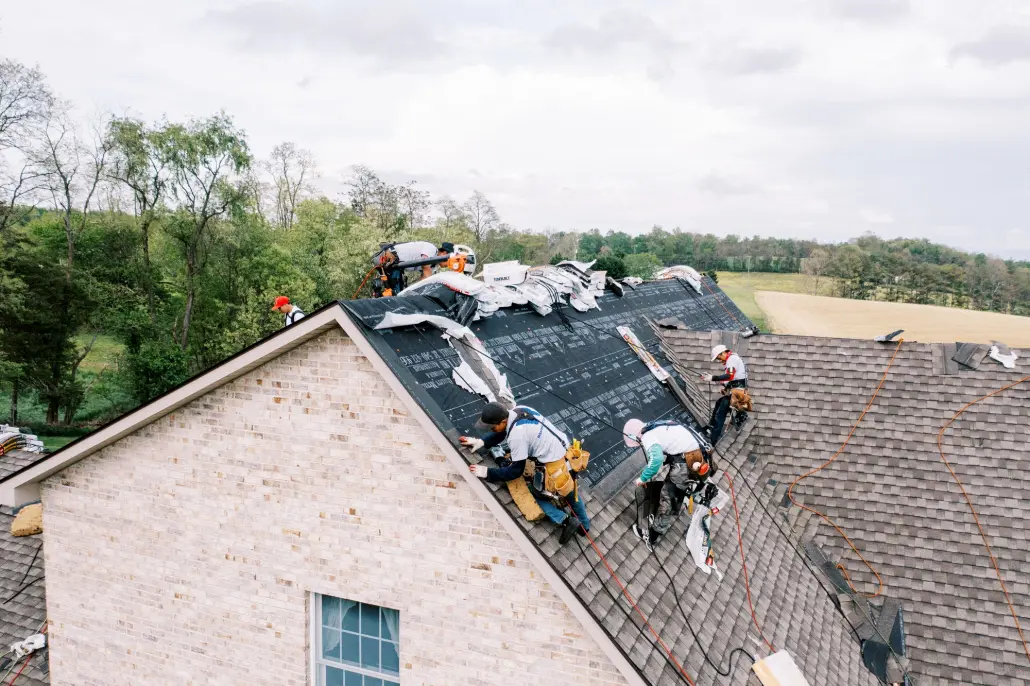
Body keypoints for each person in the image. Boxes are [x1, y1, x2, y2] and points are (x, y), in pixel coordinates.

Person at [461, 402, 590, 544]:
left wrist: (487, 472)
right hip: (569, 457)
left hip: (556, 471)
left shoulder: (517, 435)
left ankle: (565, 520)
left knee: (532, 492)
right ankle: (584, 527)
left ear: (503, 420)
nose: (492, 429)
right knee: (572, 491)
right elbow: (502, 431)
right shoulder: (519, 410)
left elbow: (515, 472)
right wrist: (482, 442)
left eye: (493, 427)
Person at [624, 418, 713, 552]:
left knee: (668, 496)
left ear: (636, 437)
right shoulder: (655, 425)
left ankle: (652, 535)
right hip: (696, 456)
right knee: (674, 491)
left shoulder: (648, 437)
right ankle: (673, 507)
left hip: (687, 463)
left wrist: (642, 478)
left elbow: (657, 460)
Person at [700, 344, 748, 445]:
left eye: (719, 357)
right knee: (718, 402)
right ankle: (711, 425)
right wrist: (725, 387)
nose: (719, 360)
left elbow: (729, 376)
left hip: (737, 394)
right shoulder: (732, 360)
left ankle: (712, 440)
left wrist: (712, 378)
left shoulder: (732, 359)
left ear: (723, 353)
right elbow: (733, 378)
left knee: (720, 414)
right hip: (737, 392)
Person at [373, 241, 455, 295]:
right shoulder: (432, 249)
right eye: (450, 260)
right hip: (388, 258)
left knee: (396, 293)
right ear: (444, 253)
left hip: (395, 266)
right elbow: (424, 263)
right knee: (395, 295)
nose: (449, 264)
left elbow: (424, 280)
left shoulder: (433, 265)